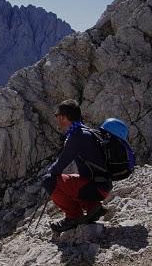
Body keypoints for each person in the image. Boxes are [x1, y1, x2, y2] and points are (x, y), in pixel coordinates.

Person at [42, 99, 113, 233]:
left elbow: (61, 164)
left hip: (97, 188)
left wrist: (48, 174)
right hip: (101, 185)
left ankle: (74, 216)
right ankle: (92, 207)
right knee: (68, 180)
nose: (57, 120)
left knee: (49, 181)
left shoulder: (77, 136)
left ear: (64, 117)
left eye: (58, 116)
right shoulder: (84, 131)